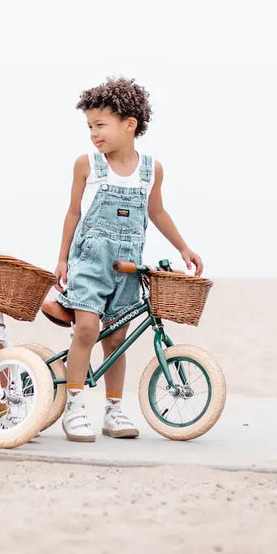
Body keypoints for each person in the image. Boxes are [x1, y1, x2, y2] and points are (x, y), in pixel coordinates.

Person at [51, 77, 204, 442]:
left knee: (116, 337)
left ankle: (113, 409)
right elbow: (73, 213)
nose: (93, 133)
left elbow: (158, 212)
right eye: (89, 126)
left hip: (128, 268)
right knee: (87, 328)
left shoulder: (151, 169)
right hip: (89, 262)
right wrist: (61, 259)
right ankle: (74, 405)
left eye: (100, 125)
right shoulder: (87, 165)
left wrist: (184, 247)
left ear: (129, 124)